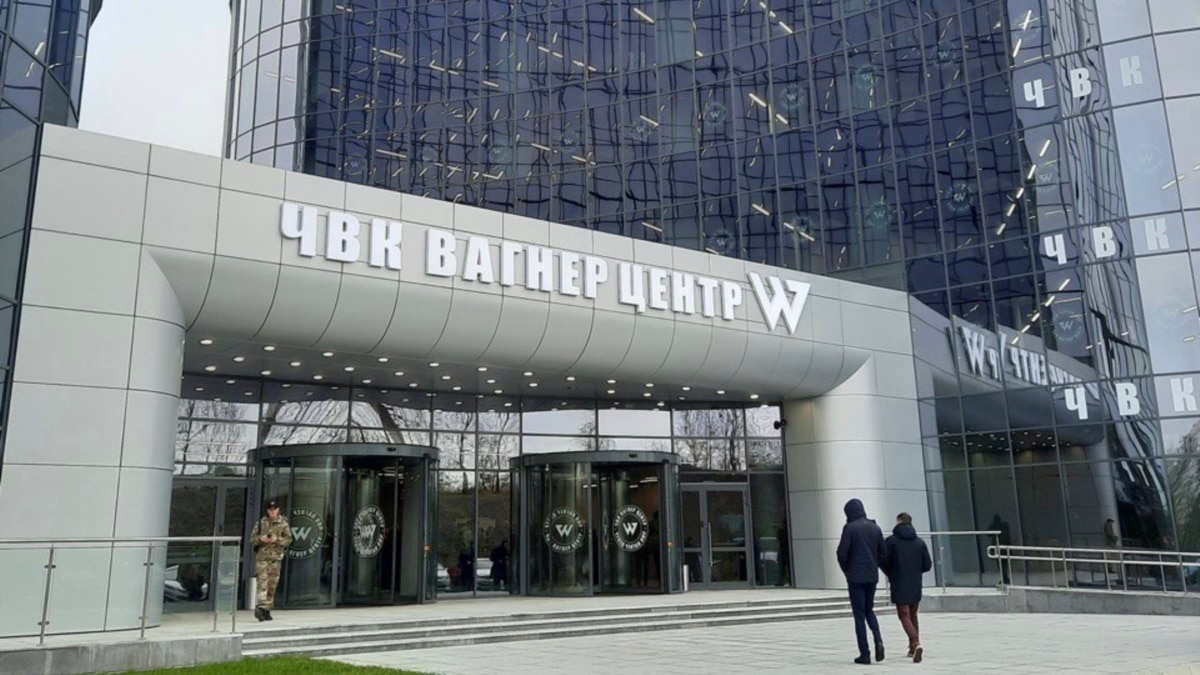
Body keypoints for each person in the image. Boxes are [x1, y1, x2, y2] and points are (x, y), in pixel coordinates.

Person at [836, 498, 887, 665]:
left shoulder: (850, 528)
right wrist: (874, 566)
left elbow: (842, 552)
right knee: (869, 610)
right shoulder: (875, 527)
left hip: (855, 577)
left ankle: (864, 653)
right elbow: (883, 553)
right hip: (872, 576)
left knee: (859, 615)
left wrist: (846, 569)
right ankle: (878, 639)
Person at [882, 512, 933, 664]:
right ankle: (912, 647)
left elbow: (883, 560)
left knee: (903, 614)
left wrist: (891, 573)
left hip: (899, 581)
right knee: (913, 614)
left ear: (898, 522)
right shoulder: (919, 542)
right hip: (915, 582)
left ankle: (915, 643)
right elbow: (927, 565)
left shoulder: (891, 542)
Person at [250, 498, 293, 621]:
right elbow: (252, 539)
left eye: (275, 509)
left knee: (272, 584)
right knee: (262, 582)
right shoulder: (261, 523)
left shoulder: (283, 524)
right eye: (270, 509)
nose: (272, 512)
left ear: (279, 510)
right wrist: (261, 539)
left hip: (275, 559)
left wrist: (277, 540)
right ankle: (261, 607)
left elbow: (289, 540)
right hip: (262, 558)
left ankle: (266, 609)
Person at [988, 513, 1012, 585]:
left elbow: (990, 533)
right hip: (1001, 549)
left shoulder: (1002, 526)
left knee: (1002, 565)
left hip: (1001, 548)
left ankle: (1005, 579)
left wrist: (994, 524)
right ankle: (1005, 578)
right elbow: (989, 533)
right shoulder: (1003, 526)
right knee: (1002, 565)